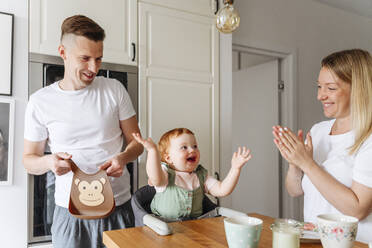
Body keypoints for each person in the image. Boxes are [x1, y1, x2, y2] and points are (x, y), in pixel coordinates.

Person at [23, 15, 144, 248]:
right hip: (69, 213)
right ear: (63, 52)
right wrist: (50, 162)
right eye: (85, 58)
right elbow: (29, 161)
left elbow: (136, 143)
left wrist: (123, 157)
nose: (94, 68)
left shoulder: (114, 90)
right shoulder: (40, 102)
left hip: (118, 209)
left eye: (98, 59)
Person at [272, 49, 372, 243]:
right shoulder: (318, 131)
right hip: (316, 242)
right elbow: (295, 190)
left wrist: (308, 164)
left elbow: (358, 209)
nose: (320, 96)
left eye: (331, 88)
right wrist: (295, 163)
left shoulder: (368, 139)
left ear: (359, 89)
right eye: (319, 87)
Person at [132, 128, 251, 220]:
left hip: (195, 228)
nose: (192, 150)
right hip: (163, 229)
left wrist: (235, 168)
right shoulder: (165, 174)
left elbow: (222, 190)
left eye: (195, 146)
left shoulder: (200, 175)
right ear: (168, 158)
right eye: (184, 147)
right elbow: (155, 178)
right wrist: (153, 151)